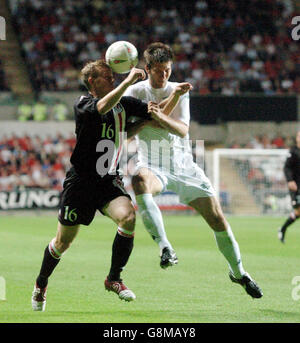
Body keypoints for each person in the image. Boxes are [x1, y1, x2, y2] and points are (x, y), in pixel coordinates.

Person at [31, 59, 192, 311]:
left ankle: (114, 279)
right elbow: (103, 108)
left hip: (109, 180)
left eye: (114, 76)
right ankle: (41, 283)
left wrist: (176, 96)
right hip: (81, 183)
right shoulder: (84, 104)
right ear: (93, 81)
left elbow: (157, 111)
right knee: (63, 243)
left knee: (128, 217)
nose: (114, 78)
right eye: (107, 76)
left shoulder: (125, 104)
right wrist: (129, 82)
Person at [124, 42, 263, 298]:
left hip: (184, 166)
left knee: (217, 219)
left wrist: (159, 111)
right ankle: (165, 247)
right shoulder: (133, 92)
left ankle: (239, 272)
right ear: (148, 68)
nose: (164, 75)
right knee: (139, 180)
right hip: (153, 164)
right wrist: (150, 117)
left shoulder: (179, 90)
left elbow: (182, 130)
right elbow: (126, 133)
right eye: (158, 71)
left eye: (167, 70)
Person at [278, 130, 300, 243]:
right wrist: (290, 180)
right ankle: (282, 229)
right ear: (297, 138)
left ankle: (282, 229)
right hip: (296, 187)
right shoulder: (293, 152)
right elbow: (286, 168)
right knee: (298, 212)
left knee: (298, 213)